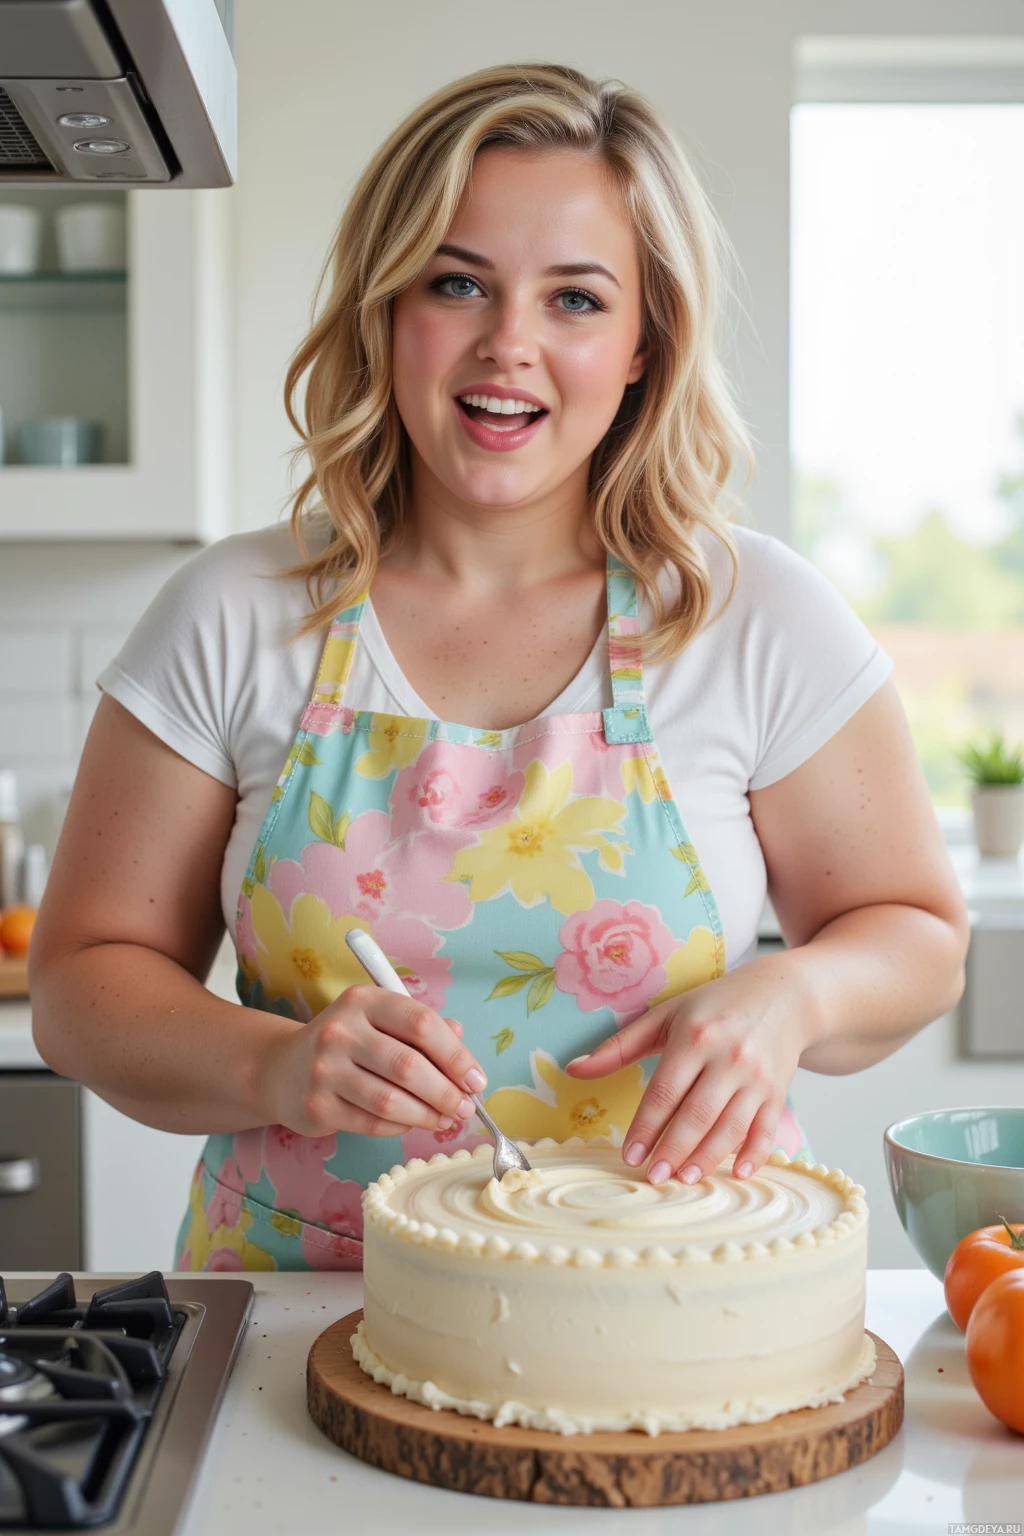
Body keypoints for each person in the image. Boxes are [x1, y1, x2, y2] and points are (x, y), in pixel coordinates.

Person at [29, 63, 969, 1273]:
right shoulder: (230, 614)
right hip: (295, 1323)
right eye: (457, 282)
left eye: (575, 300)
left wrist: (792, 1001)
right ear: (386, 309)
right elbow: (79, 988)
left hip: (670, 1310)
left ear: (642, 345)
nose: (507, 344)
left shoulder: (753, 615)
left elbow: (917, 935)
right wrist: (274, 1063)